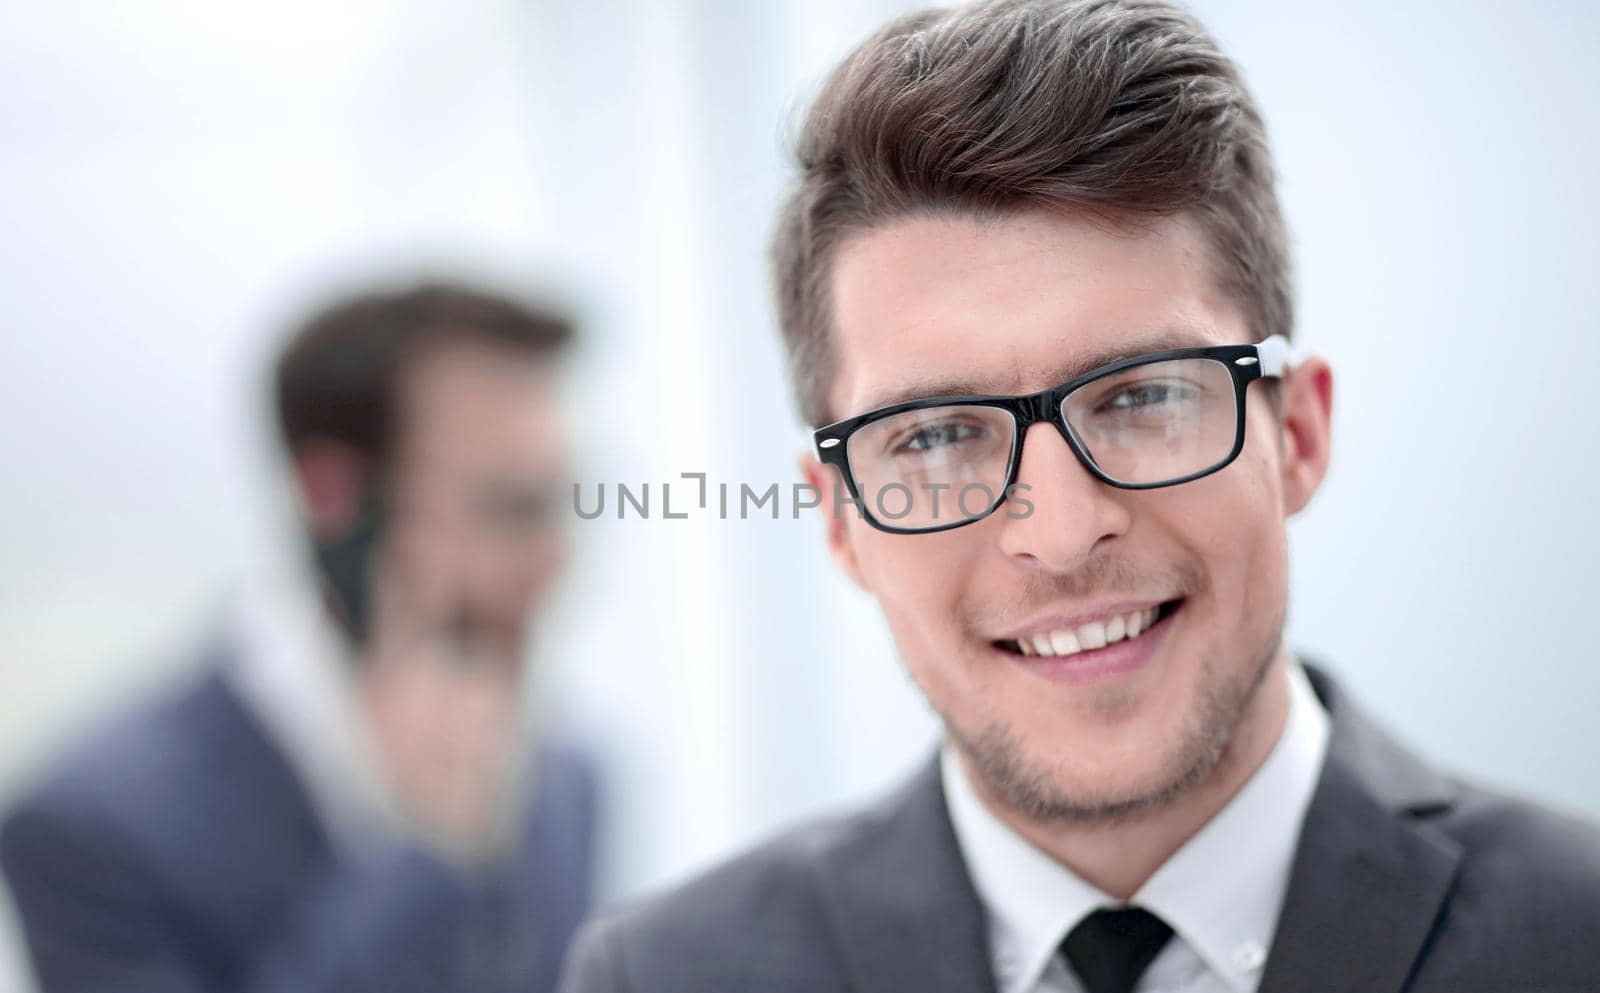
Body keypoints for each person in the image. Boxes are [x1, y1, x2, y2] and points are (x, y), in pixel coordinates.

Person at [558, 2, 1600, 992]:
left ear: (1296, 435)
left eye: (1143, 397)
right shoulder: (662, 976)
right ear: (839, 520)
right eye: (932, 437)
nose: (1058, 536)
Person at [2, 280, 599, 993]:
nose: (556, 560)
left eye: (567, 500)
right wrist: (424, 853)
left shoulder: (565, 782)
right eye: (511, 507)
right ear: (333, 496)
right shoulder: (94, 827)